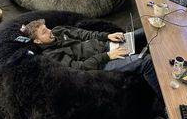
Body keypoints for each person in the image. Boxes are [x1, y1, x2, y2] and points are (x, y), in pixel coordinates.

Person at [20, 18, 162, 100]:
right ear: (38, 42)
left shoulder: (58, 30)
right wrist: (107, 56)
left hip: (106, 46)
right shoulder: (52, 55)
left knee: (148, 30)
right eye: (44, 32)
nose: (50, 31)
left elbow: (83, 34)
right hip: (102, 65)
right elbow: (79, 69)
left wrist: (107, 36)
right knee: (145, 61)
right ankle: (165, 104)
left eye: (47, 28)